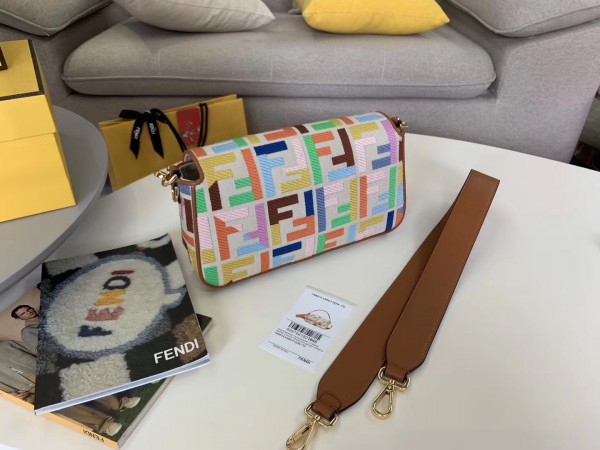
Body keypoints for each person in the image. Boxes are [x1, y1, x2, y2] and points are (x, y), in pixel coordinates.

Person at [7, 304, 141, 437]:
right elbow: (40, 350)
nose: (28, 312)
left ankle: (122, 401)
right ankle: (114, 409)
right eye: (23, 313)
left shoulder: (49, 317)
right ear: (20, 318)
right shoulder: (27, 332)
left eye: (28, 309)